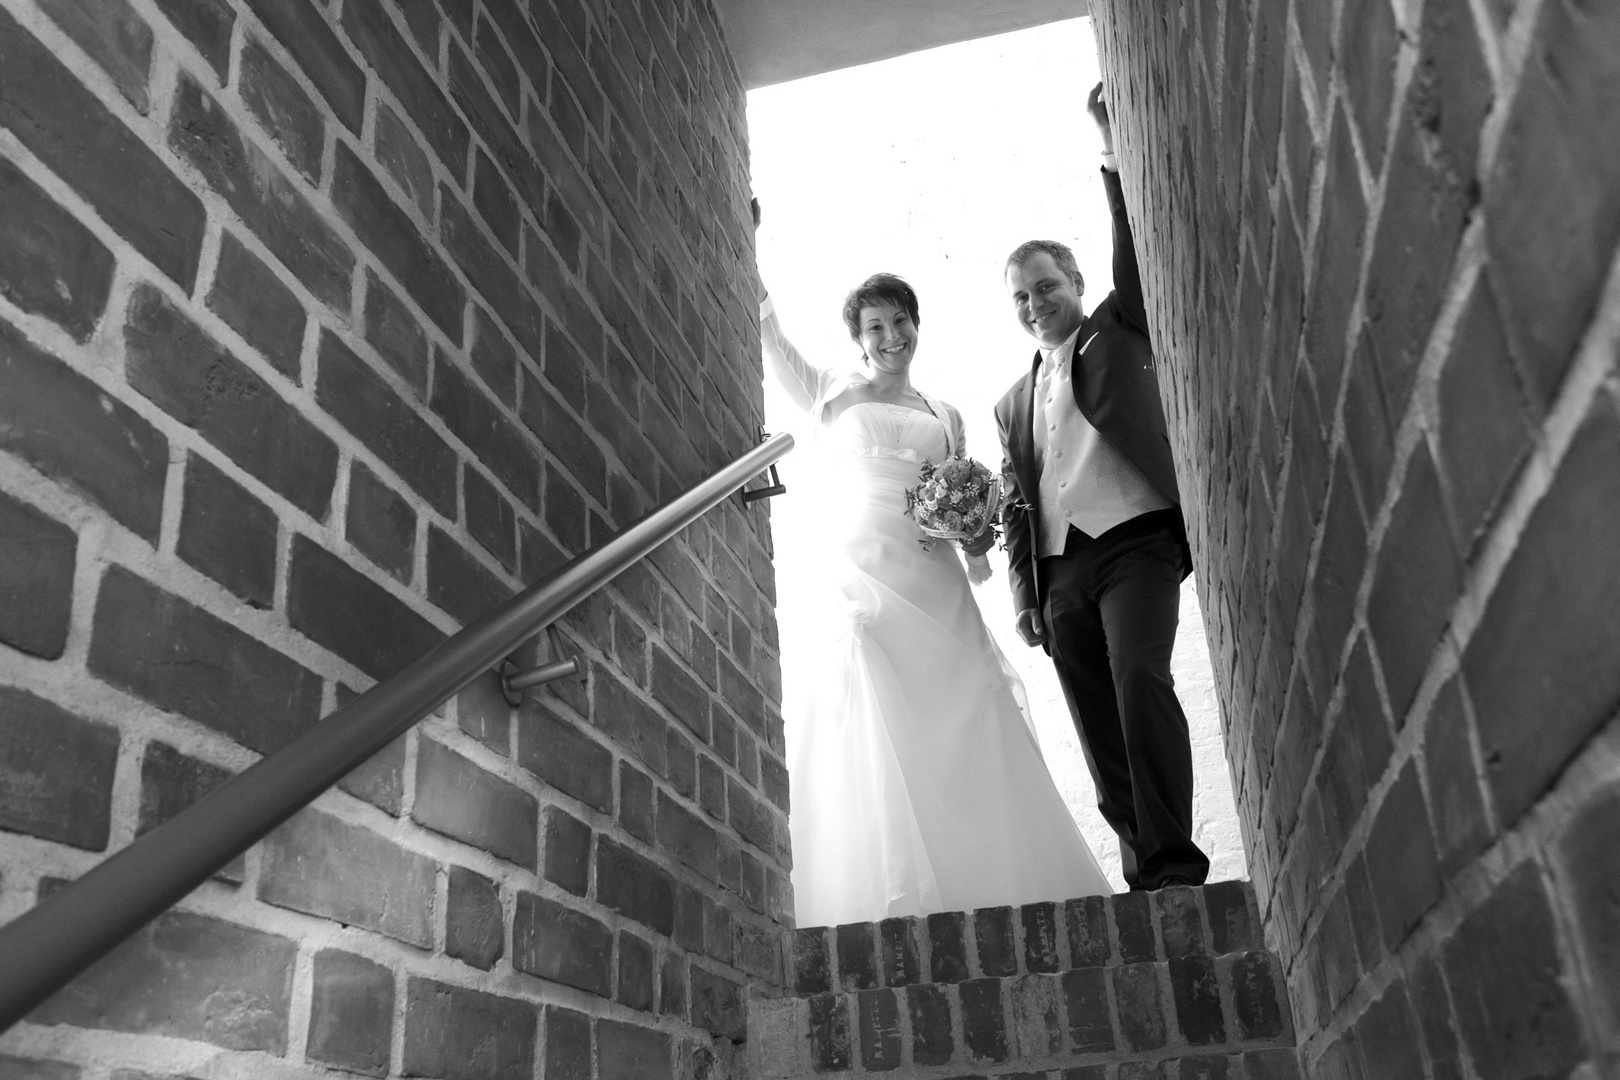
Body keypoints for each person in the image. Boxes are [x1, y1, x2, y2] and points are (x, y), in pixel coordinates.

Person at [758, 263, 1111, 927]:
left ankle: (986, 874)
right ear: (858, 339)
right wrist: (748, 259)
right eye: (876, 326)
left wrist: (974, 532)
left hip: (931, 568)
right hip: (864, 560)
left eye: (901, 321)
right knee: (873, 690)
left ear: (916, 325)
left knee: (960, 696)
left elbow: (967, 512)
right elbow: (772, 343)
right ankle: (892, 884)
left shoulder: (944, 415)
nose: (892, 335)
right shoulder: (831, 392)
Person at [980, 83, 1210, 891]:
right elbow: (1015, 503)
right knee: (1093, 720)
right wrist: (1025, 595)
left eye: (1045, 286)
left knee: (1141, 679)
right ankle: (1141, 865)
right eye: (1019, 297)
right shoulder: (1009, 401)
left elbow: (1137, 252)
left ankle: (1176, 864)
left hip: (1138, 541)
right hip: (1062, 570)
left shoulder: (1117, 327)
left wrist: (1111, 152)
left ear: (1074, 280)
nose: (1034, 304)